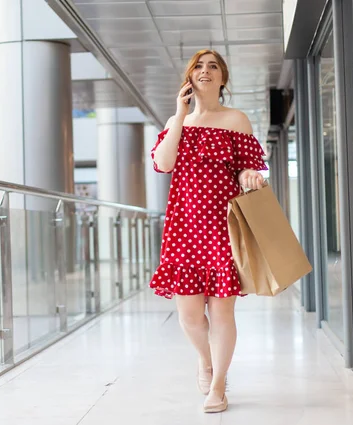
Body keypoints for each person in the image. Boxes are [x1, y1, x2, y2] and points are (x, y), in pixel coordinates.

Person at [149, 49, 267, 413]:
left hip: (222, 228)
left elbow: (250, 169)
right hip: (184, 228)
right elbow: (163, 163)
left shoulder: (236, 120)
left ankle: (218, 386)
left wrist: (249, 176)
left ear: (222, 77)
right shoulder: (176, 121)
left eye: (212, 66)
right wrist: (181, 115)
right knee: (189, 316)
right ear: (189, 78)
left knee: (221, 314)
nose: (205, 71)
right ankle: (205, 359)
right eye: (198, 66)